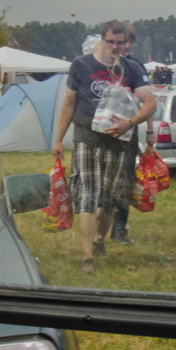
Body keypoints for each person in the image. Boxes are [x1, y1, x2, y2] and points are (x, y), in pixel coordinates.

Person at [52, 20, 156, 274]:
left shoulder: (132, 68)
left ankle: (99, 240)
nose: (115, 47)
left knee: (109, 199)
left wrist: (130, 123)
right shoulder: (81, 64)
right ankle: (87, 257)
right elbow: (69, 103)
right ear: (102, 39)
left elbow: (150, 103)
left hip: (118, 142)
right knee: (87, 195)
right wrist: (58, 139)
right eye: (110, 41)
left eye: (120, 43)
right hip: (86, 137)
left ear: (126, 44)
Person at [110, 21, 156, 244]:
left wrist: (150, 131)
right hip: (104, 129)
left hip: (129, 130)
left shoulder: (136, 66)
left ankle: (119, 228)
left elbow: (148, 101)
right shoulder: (103, 64)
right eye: (122, 42)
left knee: (125, 179)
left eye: (129, 42)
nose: (125, 46)